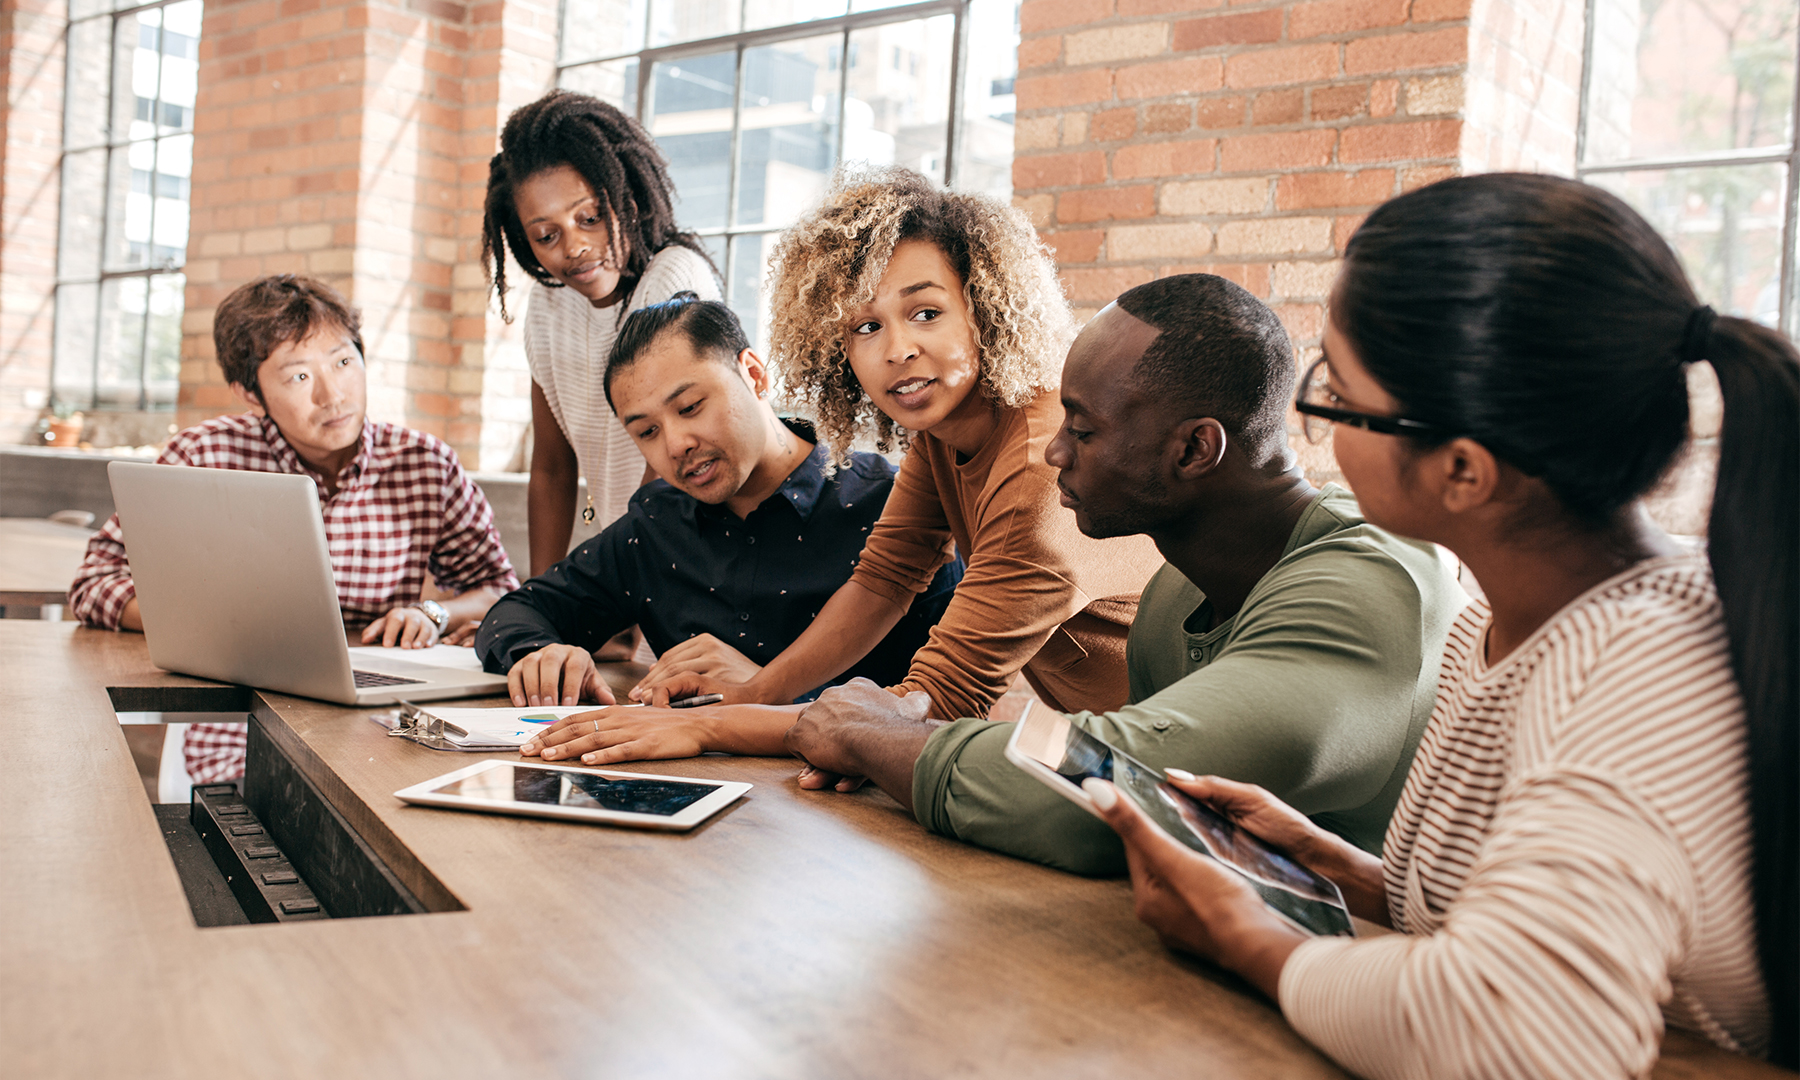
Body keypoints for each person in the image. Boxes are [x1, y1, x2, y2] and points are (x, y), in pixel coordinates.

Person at [1082, 174, 1796, 1076]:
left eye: (1337, 393)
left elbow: (1514, 1030)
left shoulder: (1638, 667)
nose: (1319, 430)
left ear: (1462, 470)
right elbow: (1531, 925)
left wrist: (1242, 934)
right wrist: (1331, 871)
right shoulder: (1495, 626)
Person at [778, 274, 1466, 872]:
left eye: (1082, 429)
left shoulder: (1372, 583)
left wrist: (873, 735)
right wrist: (901, 736)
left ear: (1195, 448)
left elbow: (1111, 795)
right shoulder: (1173, 598)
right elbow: (1095, 749)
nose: (1053, 452)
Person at [516, 166, 1164, 768]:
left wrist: (709, 726)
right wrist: (752, 696)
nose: (898, 350)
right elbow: (884, 579)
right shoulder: (943, 434)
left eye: (926, 313)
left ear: (985, 305)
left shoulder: (1039, 462)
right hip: (1123, 740)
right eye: (864, 328)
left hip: (1182, 751)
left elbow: (935, 700)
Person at [71, 274, 520, 783]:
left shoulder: (425, 463)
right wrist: (208, 628)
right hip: (241, 709)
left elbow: (498, 589)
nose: (333, 395)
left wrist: (433, 612)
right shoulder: (202, 457)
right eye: (299, 377)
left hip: (377, 712)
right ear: (250, 392)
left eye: (344, 362)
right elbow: (94, 584)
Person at [474, 294, 959, 717]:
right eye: (647, 432)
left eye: (689, 407)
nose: (676, 443)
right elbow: (517, 611)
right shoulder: (656, 523)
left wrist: (769, 689)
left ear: (753, 374)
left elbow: (940, 711)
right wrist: (545, 653)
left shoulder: (895, 509)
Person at [482, 89, 720, 578]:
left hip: (690, 560)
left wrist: (622, 604)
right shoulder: (548, 307)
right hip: (627, 565)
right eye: (547, 235)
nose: (576, 247)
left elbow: (668, 473)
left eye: (589, 218)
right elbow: (551, 470)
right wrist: (545, 604)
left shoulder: (673, 278)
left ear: (627, 196)